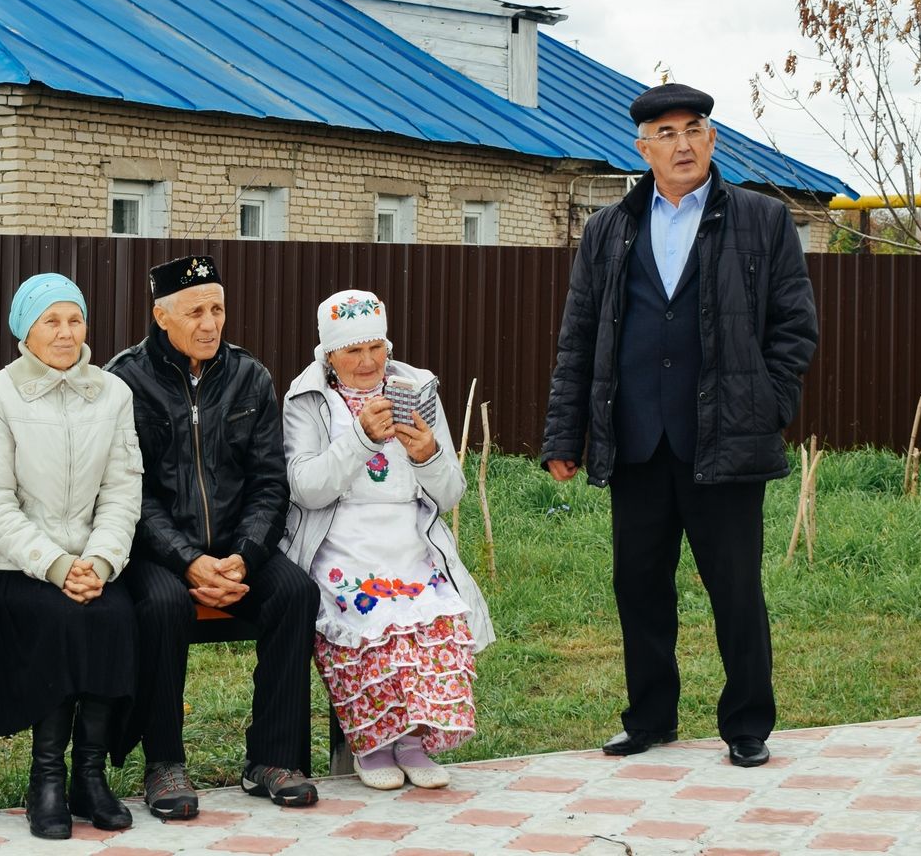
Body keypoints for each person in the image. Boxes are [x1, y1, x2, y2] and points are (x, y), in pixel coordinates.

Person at [541, 83, 819, 769]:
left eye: (694, 129)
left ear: (712, 139)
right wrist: (562, 434)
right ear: (642, 148)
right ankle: (650, 717)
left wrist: (767, 404)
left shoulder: (761, 219)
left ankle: (748, 723)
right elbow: (578, 336)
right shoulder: (609, 229)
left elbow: (795, 328)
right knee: (638, 584)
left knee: (735, 588)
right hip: (636, 439)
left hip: (725, 439)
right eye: (665, 134)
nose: (683, 144)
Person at [106, 255, 320, 818]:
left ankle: (272, 757)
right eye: (195, 310)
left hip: (237, 546)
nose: (210, 323)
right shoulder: (123, 381)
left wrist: (243, 559)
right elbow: (129, 491)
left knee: (295, 592)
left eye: (218, 309)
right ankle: (164, 762)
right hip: (154, 550)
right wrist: (187, 563)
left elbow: (270, 483)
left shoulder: (252, 376)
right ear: (160, 315)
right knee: (162, 603)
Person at [280, 289, 494, 790]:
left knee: (435, 618)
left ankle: (413, 740)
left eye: (376, 347)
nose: (367, 361)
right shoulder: (308, 399)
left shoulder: (415, 388)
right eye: (352, 350)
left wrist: (427, 454)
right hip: (340, 539)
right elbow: (306, 489)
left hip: (408, 536)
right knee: (367, 618)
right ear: (328, 354)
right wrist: (360, 438)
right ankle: (372, 742)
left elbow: (449, 494)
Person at [0, 273, 142, 841]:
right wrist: (56, 565)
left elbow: (121, 490)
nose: (66, 333)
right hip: (11, 563)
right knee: (63, 617)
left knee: (112, 613)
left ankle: (88, 778)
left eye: (75, 319)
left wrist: (101, 560)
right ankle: (46, 778)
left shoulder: (112, 392)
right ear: (25, 330)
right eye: (51, 321)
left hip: (91, 561)